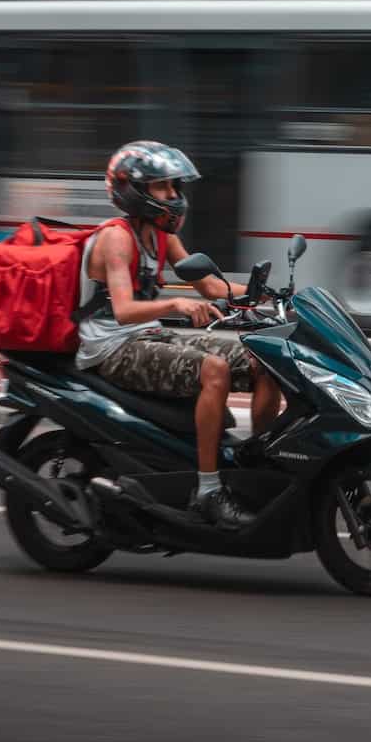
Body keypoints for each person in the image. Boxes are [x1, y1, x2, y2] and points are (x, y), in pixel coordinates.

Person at [76, 141, 284, 530]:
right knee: (214, 370)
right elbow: (123, 311)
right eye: (163, 187)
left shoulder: (159, 234)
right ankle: (207, 491)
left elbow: (207, 284)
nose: (174, 196)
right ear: (133, 190)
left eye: (175, 187)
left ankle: (260, 468)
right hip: (114, 346)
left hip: (148, 335)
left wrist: (269, 294)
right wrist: (175, 305)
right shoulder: (116, 239)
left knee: (267, 359)